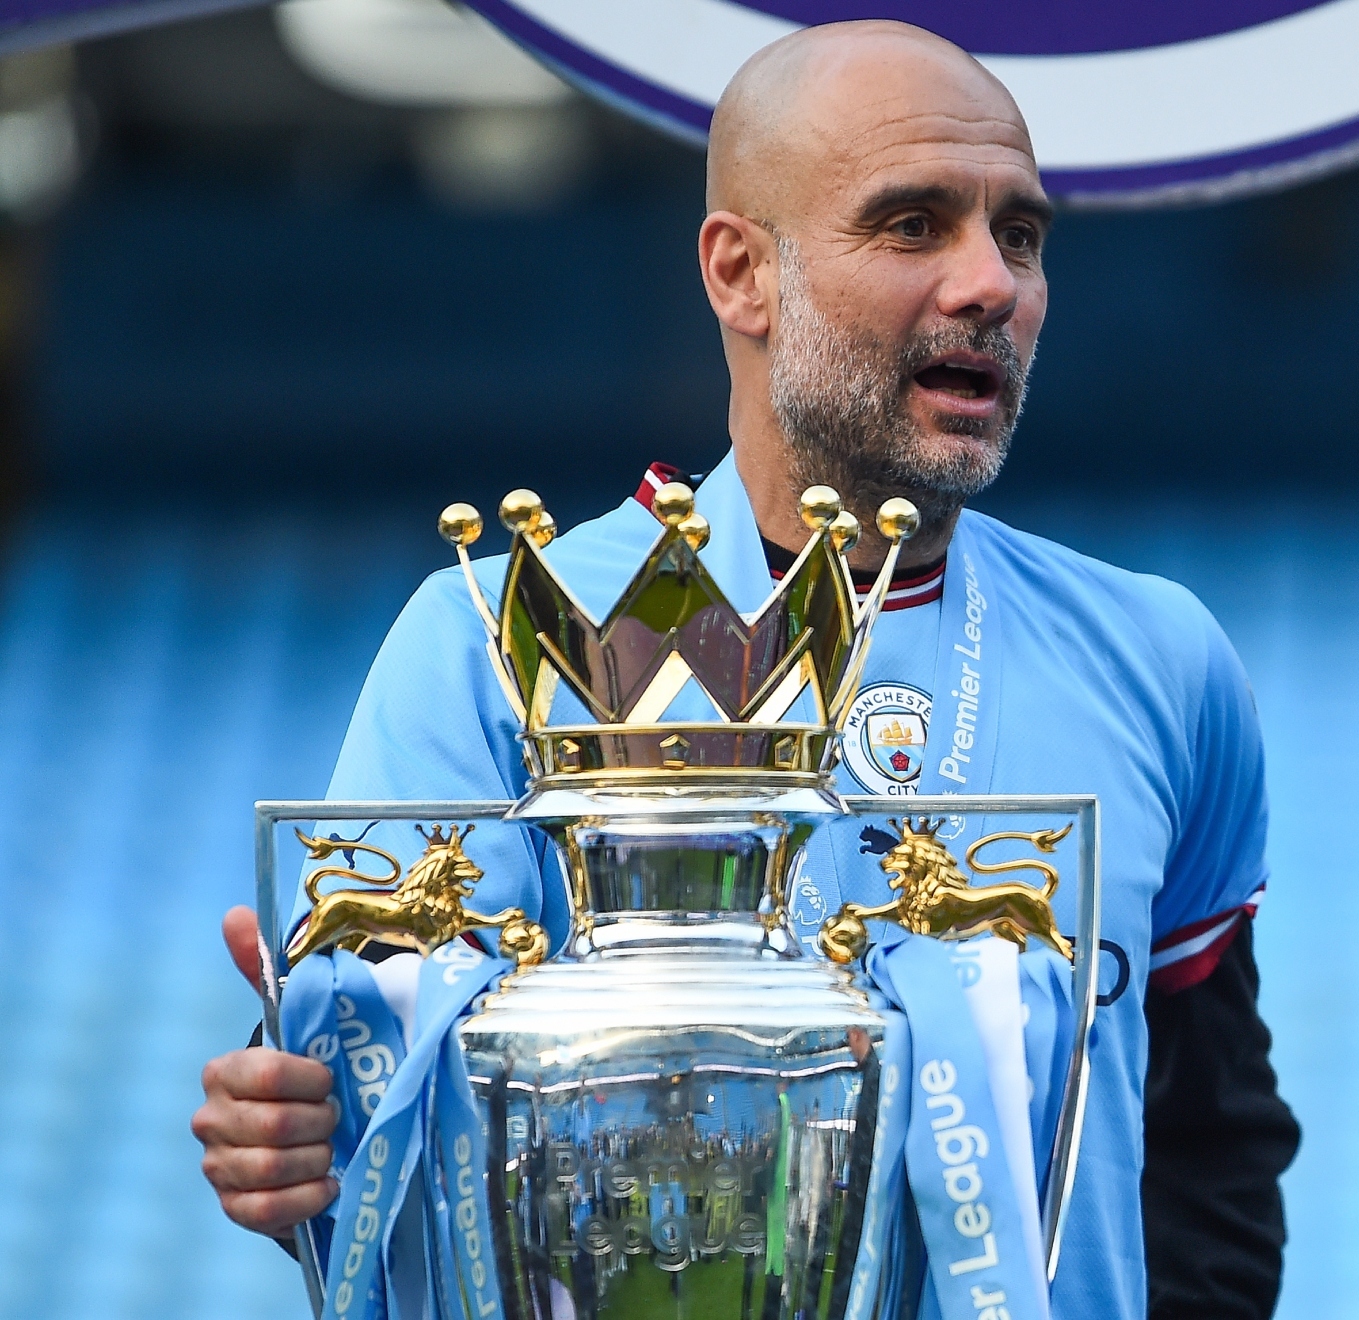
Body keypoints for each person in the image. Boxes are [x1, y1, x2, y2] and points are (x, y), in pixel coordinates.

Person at [192, 19, 1299, 1318]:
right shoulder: (495, 642)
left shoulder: (1163, 662)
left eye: (1022, 235)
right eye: (912, 224)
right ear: (741, 273)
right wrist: (305, 1126)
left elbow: (1211, 1143)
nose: (991, 283)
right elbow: (398, 1135)